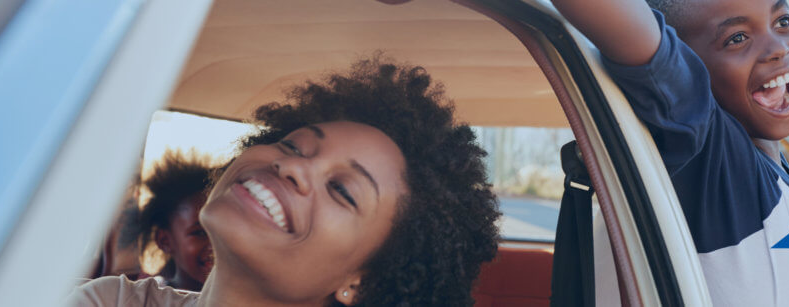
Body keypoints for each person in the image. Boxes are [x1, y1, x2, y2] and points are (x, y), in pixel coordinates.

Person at [67, 57, 501, 306]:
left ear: (361, 282)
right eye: (293, 146)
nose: (292, 167)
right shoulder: (111, 301)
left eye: (343, 190)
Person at [549, 0, 789, 306]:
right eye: (737, 38)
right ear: (683, 64)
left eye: (783, 21)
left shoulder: (775, 165)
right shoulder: (711, 153)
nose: (778, 48)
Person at [137, 149, 216, 291]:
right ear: (165, 241)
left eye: (222, 231)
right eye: (200, 233)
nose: (217, 243)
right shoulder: (147, 298)